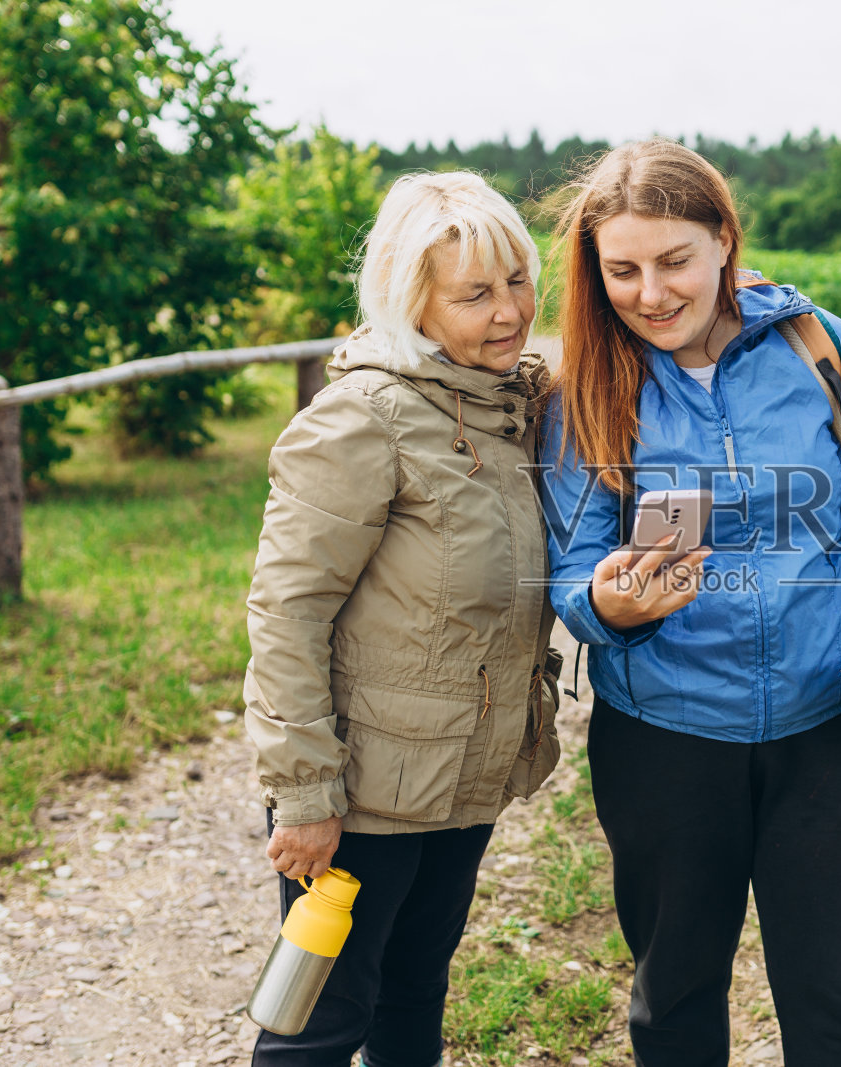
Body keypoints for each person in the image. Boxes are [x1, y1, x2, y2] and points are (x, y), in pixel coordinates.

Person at [539, 140, 841, 1066]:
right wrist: (613, 606)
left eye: (674, 260)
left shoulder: (822, 348)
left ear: (724, 238)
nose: (651, 292)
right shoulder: (584, 390)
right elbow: (574, 568)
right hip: (663, 739)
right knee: (674, 1003)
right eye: (623, 270)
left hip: (831, 730)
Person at [242, 171, 563, 1067]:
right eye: (475, 294)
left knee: (417, 991)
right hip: (364, 797)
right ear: (410, 302)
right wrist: (306, 793)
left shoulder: (501, 407)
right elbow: (287, 612)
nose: (509, 311)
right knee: (315, 1024)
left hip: (459, 782)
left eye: (517, 282)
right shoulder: (361, 420)